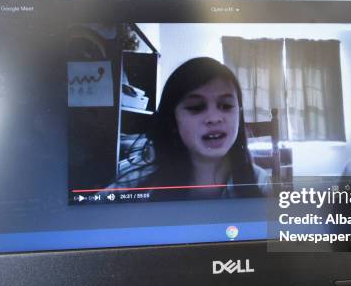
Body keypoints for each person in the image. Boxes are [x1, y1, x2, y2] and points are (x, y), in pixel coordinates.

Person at [112, 57, 270, 199]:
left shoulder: (258, 182)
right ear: (173, 121)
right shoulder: (139, 182)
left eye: (226, 105)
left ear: (239, 113)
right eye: (196, 107)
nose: (214, 118)